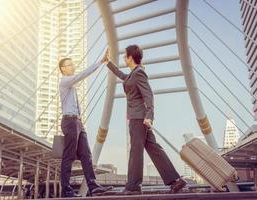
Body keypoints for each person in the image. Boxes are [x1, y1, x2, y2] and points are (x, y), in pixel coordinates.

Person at [102, 45, 186, 195]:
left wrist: (149, 116)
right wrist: (108, 63)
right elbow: (123, 76)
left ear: (130, 57)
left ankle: (133, 186)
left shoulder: (139, 73)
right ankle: (175, 181)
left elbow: (149, 95)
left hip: (138, 118)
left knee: (135, 151)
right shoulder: (133, 73)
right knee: (154, 148)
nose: (123, 58)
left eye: (124, 56)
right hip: (139, 118)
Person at [59, 56, 113, 197]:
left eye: (72, 64)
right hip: (70, 121)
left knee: (86, 155)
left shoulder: (71, 86)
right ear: (63, 69)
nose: (72, 66)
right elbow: (84, 74)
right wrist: (100, 62)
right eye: (69, 65)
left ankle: (93, 186)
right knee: (69, 156)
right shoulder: (65, 81)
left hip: (77, 122)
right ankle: (66, 190)